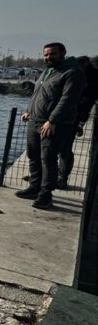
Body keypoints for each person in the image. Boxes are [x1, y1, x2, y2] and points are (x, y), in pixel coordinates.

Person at [16, 42, 85, 209]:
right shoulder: (47, 72)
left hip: (54, 124)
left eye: (52, 54)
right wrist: (28, 110)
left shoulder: (72, 73)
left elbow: (67, 100)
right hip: (35, 120)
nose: (48, 57)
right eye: (46, 54)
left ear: (63, 53)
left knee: (48, 159)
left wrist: (52, 120)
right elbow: (38, 95)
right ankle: (34, 187)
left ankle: (45, 195)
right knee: (33, 156)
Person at [57, 56, 98, 188]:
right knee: (52, 148)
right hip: (64, 114)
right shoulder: (75, 73)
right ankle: (46, 176)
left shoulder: (92, 77)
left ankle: (62, 178)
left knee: (65, 149)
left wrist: (81, 122)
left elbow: (88, 100)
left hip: (75, 115)